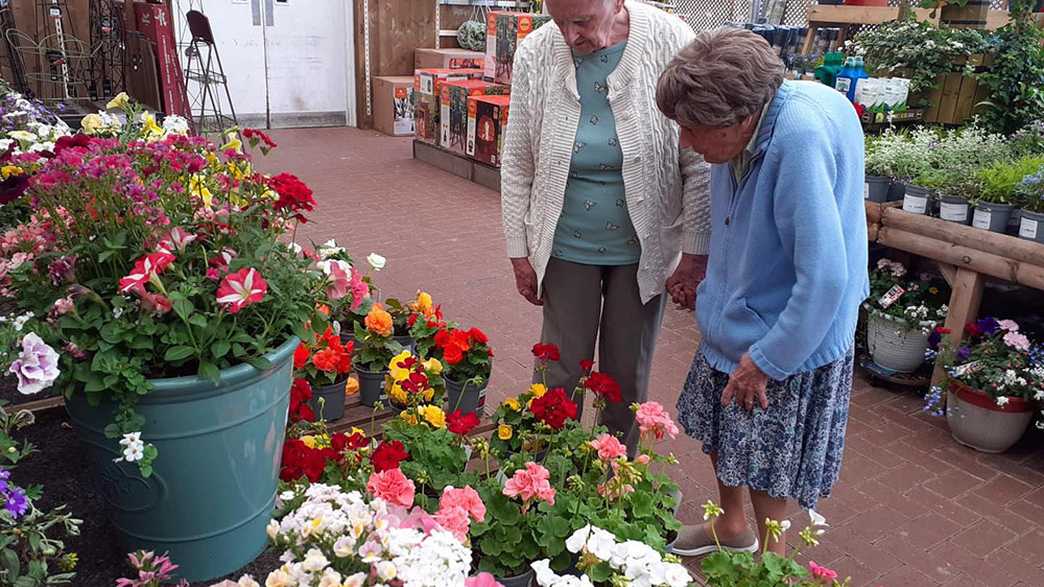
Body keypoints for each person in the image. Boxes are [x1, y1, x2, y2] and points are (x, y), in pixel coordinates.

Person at [655, 28, 869, 556]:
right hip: (738, 311)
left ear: (741, 117)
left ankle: (770, 564)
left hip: (792, 326)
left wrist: (771, 359)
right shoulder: (743, 131)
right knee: (722, 428)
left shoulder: (797, 138)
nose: (685, 140)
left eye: (692, 128)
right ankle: (731, 529)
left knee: (767, 455)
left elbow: (824, 276)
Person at [500, 0, 711, 451]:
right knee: (558, 372)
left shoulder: (673, 40)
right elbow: (517, 161)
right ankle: (544, 476)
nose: (571, 36)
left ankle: (614, 475)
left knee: (626, 376)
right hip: (565, 244)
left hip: (644, 249)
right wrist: (519, 249)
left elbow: (699, 161)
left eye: (582, 21)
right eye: (559, 22)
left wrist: (694, 253)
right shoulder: (536, 52)